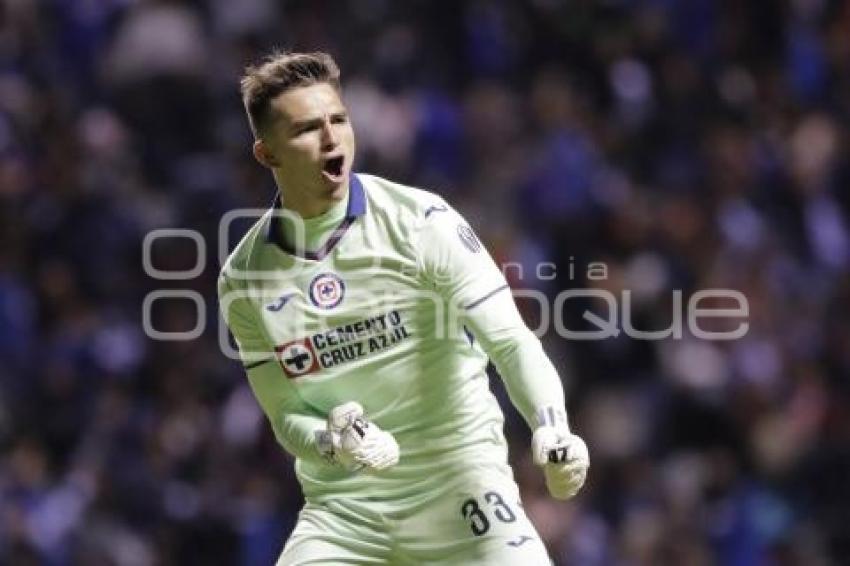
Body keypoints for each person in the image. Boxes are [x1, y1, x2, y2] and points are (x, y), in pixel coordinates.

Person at [217, 50, 590, 565]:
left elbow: (509, 339)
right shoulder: (243, 279)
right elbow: (285, 415)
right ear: (268, 155)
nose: (331, 139)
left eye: (339, 120)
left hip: (463, 495)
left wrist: (551, 425)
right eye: (307, 129)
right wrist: (332, 442)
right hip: (345, 518)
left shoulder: (422, 223)